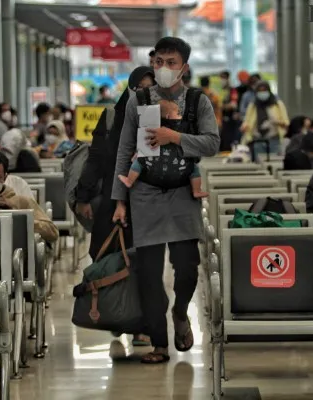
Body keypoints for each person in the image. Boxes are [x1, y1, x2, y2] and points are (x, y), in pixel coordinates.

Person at [112, 37, 220, 364]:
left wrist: (175, 137)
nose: (163, 68)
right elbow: (125, 150)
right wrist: (120, 201)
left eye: (171, 62)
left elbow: (212, 144)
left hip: (183, 194)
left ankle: (180, 311)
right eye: (158, 61)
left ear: (184, 67)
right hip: (144, 194)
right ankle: (159, 343)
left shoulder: (198, 101)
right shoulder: (138, 99)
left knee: (187, 268)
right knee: (148, 273)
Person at [76, 66, 155, 348]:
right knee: (106, 256)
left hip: (147, 203)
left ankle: (143, 326)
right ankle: (116, 312)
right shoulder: (110, 117)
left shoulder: (161, 118)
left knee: (145, 265)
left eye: (150, 88)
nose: (144, 94)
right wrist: (84, 196)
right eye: (139, 88)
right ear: (129, 88)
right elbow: (95, 159)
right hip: (111, 202)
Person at [118, 152, 207, 198]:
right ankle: (196, 191)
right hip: (176, 162)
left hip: (156, 161)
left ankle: (129, 181)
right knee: (193, 168)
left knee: (139, 160)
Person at [240, 81, 289, 157]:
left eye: (264, 91)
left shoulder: (277, 104)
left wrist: (276, 121)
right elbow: (247, 121)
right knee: (259, 161)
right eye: (260, 91)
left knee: (274, 161)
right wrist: (244, 126)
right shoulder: (253, 105)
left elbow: (286, 123)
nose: (262, 93)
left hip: (274, 139)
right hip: (257, 139)